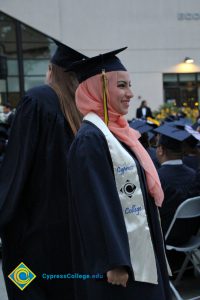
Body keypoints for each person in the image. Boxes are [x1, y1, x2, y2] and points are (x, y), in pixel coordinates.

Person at [67, 48, 172, 299]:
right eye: (122, 86)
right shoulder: (91, 139)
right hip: (121, 264)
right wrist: (114, 260)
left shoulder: (118, 132)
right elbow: (95, 204)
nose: (130, 94)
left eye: (130, 85)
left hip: (139, 248)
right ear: (98, 89)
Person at [0, 41, 87, 300]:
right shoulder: (83, 109)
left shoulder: (38, 99)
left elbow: (17, 167)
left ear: (52, 70)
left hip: (33, 237)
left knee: (23, 282)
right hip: (71, 234)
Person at [155, 124, 200, 272]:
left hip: (166, 238)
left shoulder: (157, 179)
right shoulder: (194, 174)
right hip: (191, 237)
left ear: (161, 150)